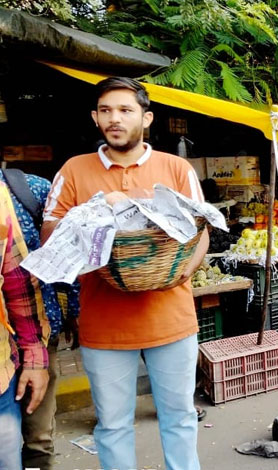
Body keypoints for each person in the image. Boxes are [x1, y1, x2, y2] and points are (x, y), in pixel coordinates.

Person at [41, 77, 207, 470]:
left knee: (180, 418)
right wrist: (97, 211)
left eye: (125, 110)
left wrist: (184, 270)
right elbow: (51, 232)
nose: (115, 119)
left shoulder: (176, 168)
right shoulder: (74, 170)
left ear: (146, 118)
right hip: (104, 323)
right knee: (112, 426)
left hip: (171, 317)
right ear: (95, 118)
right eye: (105, 111)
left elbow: (202, 232)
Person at [0, 169, 80, 470]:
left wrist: (74, 310)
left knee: (38, 438)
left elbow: (67, 254)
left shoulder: (31, 189)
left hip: (38, 332)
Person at [0, 180, 50, 470]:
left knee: (36, 441)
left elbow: (18, 282)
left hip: (2, 377)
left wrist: (34, 357)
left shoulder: (5, 195)